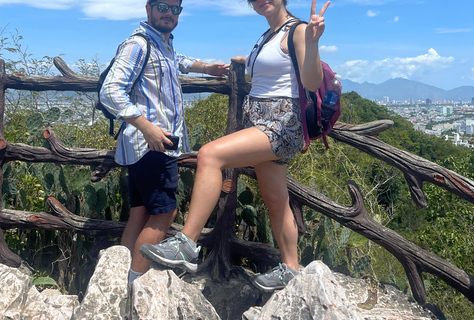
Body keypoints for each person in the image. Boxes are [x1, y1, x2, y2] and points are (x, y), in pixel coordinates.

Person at [140, 0, 330, 292]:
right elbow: (273, 70)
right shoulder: (269, 35)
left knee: (210, 155)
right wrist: (243, 61)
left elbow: (312, 82)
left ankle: (186, 245)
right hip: (262, 122)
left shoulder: (299, 30)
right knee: (276, 199)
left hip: (281, 123)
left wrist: (314, 42)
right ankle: (291, 269)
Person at [99, 0, 229, 285]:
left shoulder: (162, 44)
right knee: (164, 213)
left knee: (140, 213)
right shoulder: (138, 44)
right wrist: (147, 127)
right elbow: (110, 91)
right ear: (148, 8)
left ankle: (118, 279)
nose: (169, 13)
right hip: (153, 144)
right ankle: (135, 282)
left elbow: (179, 60)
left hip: (140, 147)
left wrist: (208, 68)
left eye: (175, 9)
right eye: (162, 6)